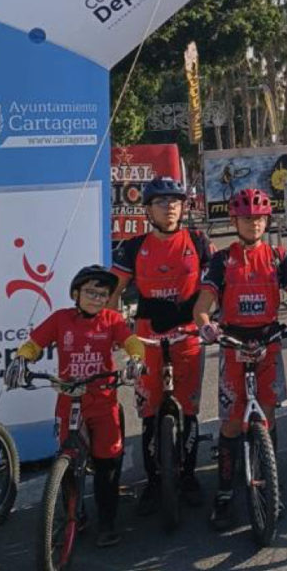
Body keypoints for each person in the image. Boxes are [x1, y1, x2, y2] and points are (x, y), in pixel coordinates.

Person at [195, 181, 287, 525]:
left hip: (268, 343)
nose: (255, 224)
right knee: (233, 423)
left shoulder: (278, 256)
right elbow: (203, 304)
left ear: (268, 221)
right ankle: (224, 493)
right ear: (235, 222)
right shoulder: (222, 259)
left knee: (268, 415)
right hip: (233, 344)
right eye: (248, 219)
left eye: (260, 219)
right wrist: (206, 324)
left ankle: (270, 484)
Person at [4, 267, 147, 549]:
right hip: (69, 401)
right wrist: (21, 358)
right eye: (90, 292)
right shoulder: (61, 319)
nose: (97, 298)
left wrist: (135, 360)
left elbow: (131, 342)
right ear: (75, 294)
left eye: (103, 294)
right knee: (68, 460)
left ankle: (107, 522)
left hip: (103, 401)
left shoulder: (112, 320)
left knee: (107, 463)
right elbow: (34, 344)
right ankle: (73, 513)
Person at [113, 177, 212, 511]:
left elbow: (215, 285)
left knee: (189, 409)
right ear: (148, 210)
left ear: (183, 207)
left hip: (188, 336)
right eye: (160, 202)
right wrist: (114, 330)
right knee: (149, 411)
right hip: (146, 340)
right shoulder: (132, 246)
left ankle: (187, 476)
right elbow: (113, 291)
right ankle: (155, 482)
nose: (169, 207)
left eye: (175, 201)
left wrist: (219, 319)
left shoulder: (198, 241)